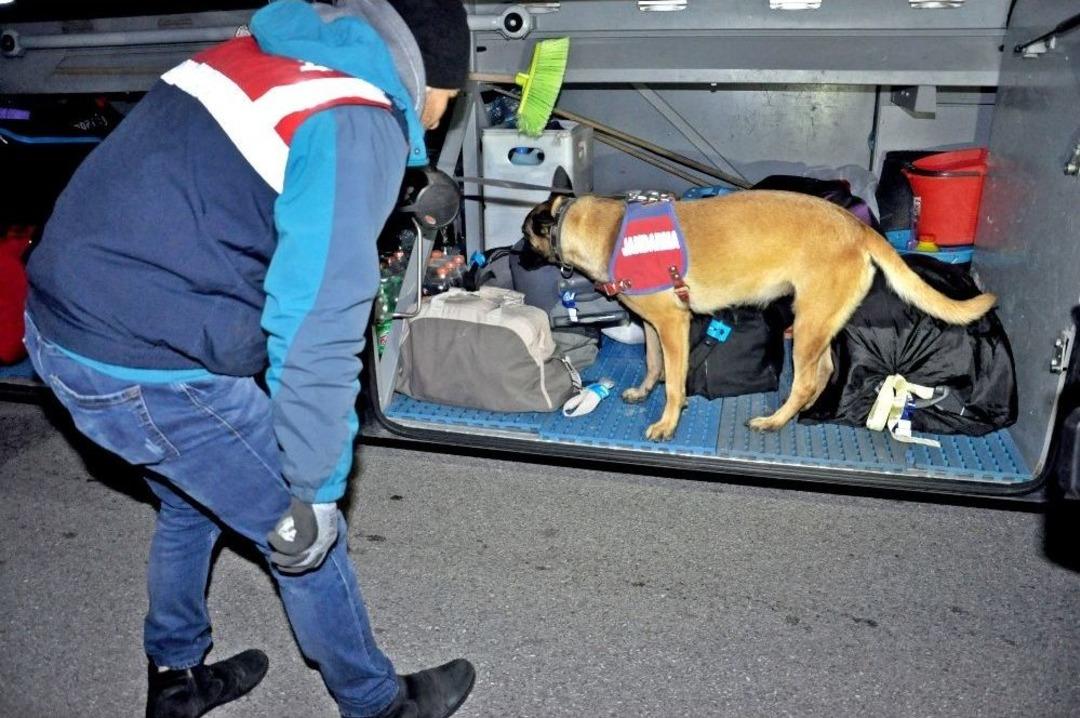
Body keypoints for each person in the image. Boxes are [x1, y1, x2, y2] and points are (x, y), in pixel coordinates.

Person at [23, 1, 475, 717]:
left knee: (187, 498)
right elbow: (319, 326)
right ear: (427, 70)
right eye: (449, 98)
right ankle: (378, 703)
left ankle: (174, 675)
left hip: (59, 328)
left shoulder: (243, 53)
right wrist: (317, 487)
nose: (436, 119)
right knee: (299, 530)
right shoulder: (357, 117)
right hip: (146, 365)